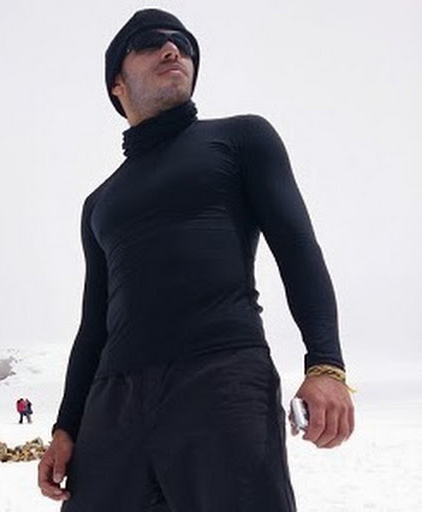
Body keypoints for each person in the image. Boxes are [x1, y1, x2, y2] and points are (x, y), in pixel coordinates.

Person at [38, 8, 354, 512]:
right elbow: (93, 324)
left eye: (183, 45)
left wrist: (326, 364)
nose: (173, 50)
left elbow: (297, 247)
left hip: (221, 377)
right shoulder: (99, 203)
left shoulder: (242, 138)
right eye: (150, 42)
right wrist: (66, 426)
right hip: (113, 401)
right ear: (116, 83)